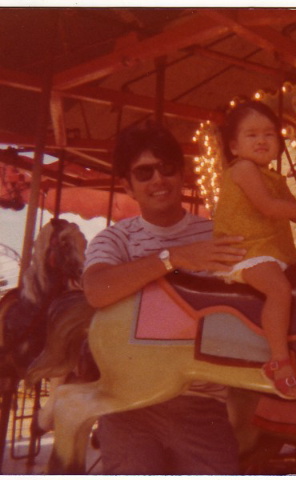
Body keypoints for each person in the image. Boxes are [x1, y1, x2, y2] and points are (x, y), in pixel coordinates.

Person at [82, 121, 246, 474]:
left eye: (167, 167)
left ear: (182, 173)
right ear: (128, 185)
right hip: (128, 405)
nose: (158, 179)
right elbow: (96, 290)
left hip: (200, 403)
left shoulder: (218, 235)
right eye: (144, 173)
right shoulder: (115, 240)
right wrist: (174, 258)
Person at [215, 101, 296, 400]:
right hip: (246, 250)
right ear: (234, 146)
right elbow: (269, 207)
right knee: (279, 290)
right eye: (252, 135)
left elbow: (295, 214)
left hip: (271, 249)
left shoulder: (274, 177)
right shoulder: (242, 169)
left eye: (269, 134)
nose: (262, 140)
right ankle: (279, 363)